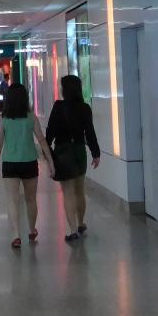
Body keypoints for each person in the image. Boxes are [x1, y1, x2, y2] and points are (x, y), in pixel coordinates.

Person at [0, 84, 54, 248]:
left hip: (10, 163)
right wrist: (51, 162)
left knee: (13, 200)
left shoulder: (4, 119)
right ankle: (32, 230)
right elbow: (42, 140)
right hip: (29, 163)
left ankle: (16, 235)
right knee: (31, 199)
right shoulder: (31, 117)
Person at [45, 75, 100, 242]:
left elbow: (50, 131)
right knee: (79, 190)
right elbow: (89, 132)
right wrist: (96, 153)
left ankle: (73, 230)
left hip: (63, 152)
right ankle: (81, 223)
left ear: (65, 90)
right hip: (79, 151)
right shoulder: (85, 108)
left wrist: (48, 154)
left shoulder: (58, 107)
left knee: (68, 192)